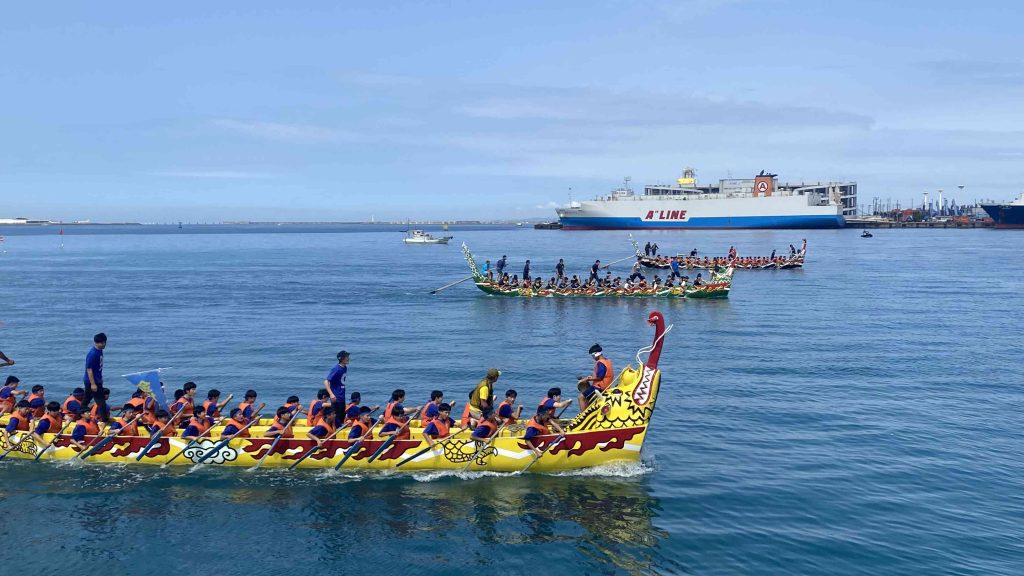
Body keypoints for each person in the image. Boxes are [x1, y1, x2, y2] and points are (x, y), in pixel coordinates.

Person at [578, 344, 614, 411]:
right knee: (586, 398)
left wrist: (587, 379)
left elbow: (600, 377)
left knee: (581, 397)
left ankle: (583, 417)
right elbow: (602, 375)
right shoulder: (607, 361)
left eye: (592, 356)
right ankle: (587, 413)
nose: (593, 358)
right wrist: (589, 378)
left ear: (596, 354)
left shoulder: (600, 363)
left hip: (599, 387)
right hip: (606, 386)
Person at [83, 332, 107, 410]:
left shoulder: (100, 351)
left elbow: (98, 367)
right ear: (96, 343)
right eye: (102, 343)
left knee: (87, 398)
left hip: (97, 379)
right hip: (91, 381)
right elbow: (89, 369)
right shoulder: (92, 354)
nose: (104, 344)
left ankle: (80, 413)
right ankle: (104, 420)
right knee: (101, 401)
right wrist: (93, 384)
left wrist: (101, 378)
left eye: (104, 342)